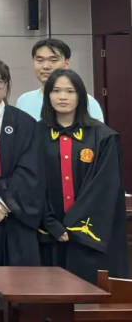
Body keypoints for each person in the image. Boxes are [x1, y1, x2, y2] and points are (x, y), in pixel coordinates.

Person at [38, 68, 128, 283]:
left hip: (89, 236)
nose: (62, 96)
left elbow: (105, 188)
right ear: (48, 95)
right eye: (56, 91)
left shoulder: (103, 137)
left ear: (80, 96)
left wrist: (72, 225)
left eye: (70, 91)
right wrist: (50, 222)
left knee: (90, 293)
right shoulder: (34, 134)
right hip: (47, 233)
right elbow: (30, 182)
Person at [0, 60, 42, 268]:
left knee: (18, 277)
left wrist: (4, 204)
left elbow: (30, 169)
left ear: (7, 84)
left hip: (16, 212)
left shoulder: (25, 122)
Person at [16, 39, 104, 122]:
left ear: (66, 64)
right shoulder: (24, 100)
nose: (45, 66)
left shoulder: (86, 101)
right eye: (40, 60)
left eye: (53, 60)